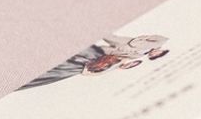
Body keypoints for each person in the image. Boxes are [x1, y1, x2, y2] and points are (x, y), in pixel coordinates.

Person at [19, 33, 170, 89]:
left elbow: (117, 61)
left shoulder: (136, 57)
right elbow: (112, 39)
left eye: (157, 55)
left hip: (95, 59)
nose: (156, 53)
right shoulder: (143, 46)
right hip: (97, 52)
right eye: (159, 52)